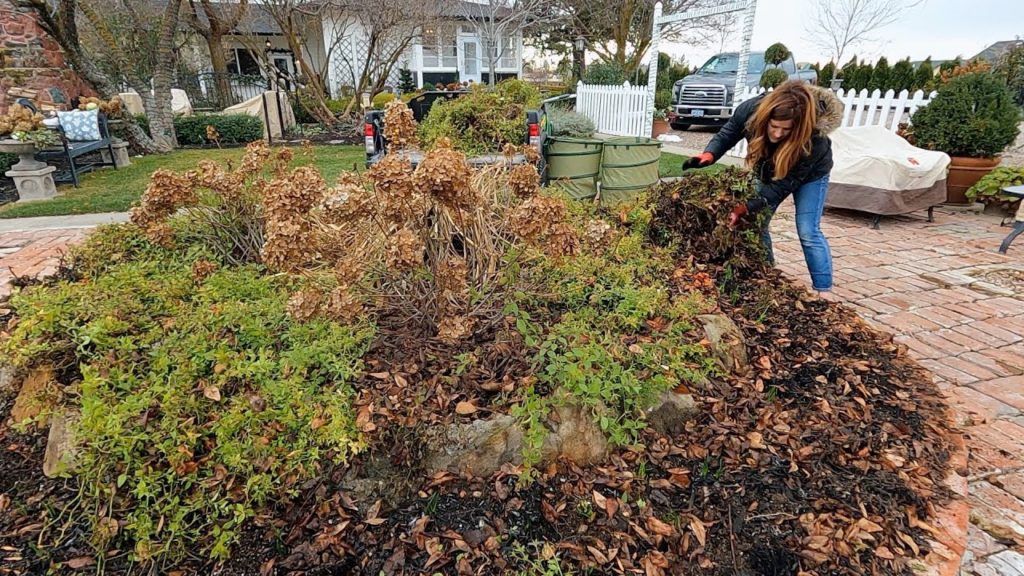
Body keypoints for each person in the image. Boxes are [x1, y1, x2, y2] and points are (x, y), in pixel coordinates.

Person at [682, 80, 843, 295]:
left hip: (811, 175)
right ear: (765, 118)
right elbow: (728, 133)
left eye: (786, 130)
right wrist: (710, 154)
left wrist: (746, 206)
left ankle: (824, 291)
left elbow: (782, 187)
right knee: (758, 222)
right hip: (770, 168)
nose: (777, 134)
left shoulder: (814, 139)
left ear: (798, 128)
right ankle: (767, 273)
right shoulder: (751, 111)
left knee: (808, 230)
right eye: (773, 126)